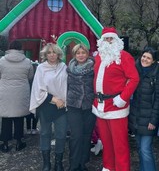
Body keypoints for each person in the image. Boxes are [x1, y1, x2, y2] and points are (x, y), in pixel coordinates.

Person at [92, 27, 140, 171]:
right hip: (100, 105)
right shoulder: (98, 57)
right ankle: (108, 167)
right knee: (106, 141)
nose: (108, 41)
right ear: (101, 41)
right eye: (106, 38)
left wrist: (123, 98)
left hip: (116, 105)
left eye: (111, 38)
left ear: (117, 40)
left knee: (120, 144)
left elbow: (134, 78)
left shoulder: (124, 56)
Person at [30, 43, 68, 171]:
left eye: (54, 52)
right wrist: (53, 99)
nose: (52, 55)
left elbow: (67, 86)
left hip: (61, 106)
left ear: (58, 54)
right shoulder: (41, 68)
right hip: (45, 105)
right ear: (45, 55)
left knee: (61, 135)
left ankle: (58, 163)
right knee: (45, 133)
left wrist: (61, 100)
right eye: (49, 53)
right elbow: (37, 89)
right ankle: (46, 163)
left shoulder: (64, 67)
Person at [128, 47, 159, 171]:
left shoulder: (156, 75)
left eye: (148, 58)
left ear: (153, 61)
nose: (145, 59)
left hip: (148, 119)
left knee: (145, 149)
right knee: (140, 148)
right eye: (144, 56)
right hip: (136, 117)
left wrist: (153, 120)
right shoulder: (134, 71)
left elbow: (158, 100)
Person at [0, 40, 34, 152]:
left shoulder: (2, 60)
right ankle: (19, 142)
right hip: (21, 91)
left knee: (6, 118)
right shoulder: (27, 61)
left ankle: (5, 144)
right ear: (20, 48)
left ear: (10, 48)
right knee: (19, 117)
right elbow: (30, 76)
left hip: (5, 91)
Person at [66, 43, 96, 171]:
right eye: (78, 53)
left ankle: (83, 164)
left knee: (86, 136)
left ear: (87, 54)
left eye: (83, 52)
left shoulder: (94, 68)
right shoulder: (69, 69)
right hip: (74, 106)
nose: (81, 55)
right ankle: (73, 165)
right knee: (76, 136)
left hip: (89, 106)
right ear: (74, 55)